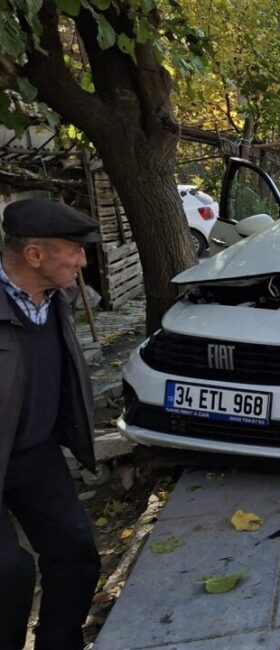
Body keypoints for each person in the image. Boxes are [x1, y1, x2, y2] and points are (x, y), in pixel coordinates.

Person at [1, 199, 101, 650]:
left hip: (33, 453)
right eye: (74, 250)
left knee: (76, 553)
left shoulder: (54, 300)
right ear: (35, 255)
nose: (83, 261)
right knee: (8, 575)